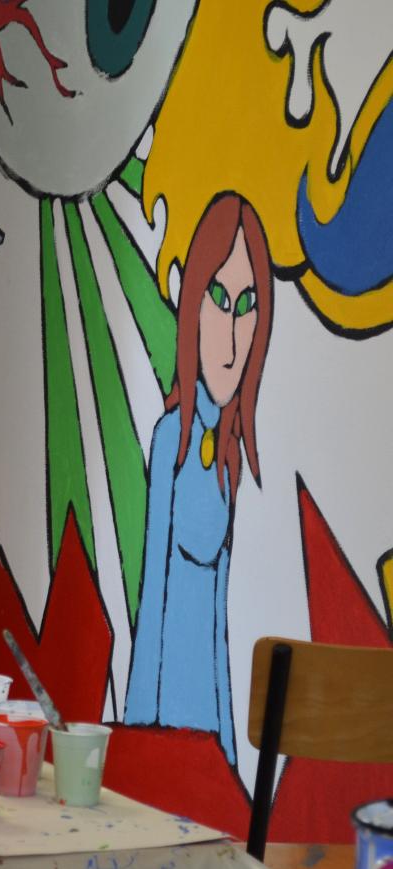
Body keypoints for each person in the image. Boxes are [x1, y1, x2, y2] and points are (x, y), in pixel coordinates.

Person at [123, 192, 274, 765]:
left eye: (248, 304)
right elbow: (152, 610)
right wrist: (136, 743)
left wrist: (229, 754)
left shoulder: (229, 460)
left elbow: (218, 633)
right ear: (192, 302)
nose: (232, 334)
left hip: (208, 726)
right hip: (164, 722)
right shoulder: (173, 440)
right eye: (219, 298)